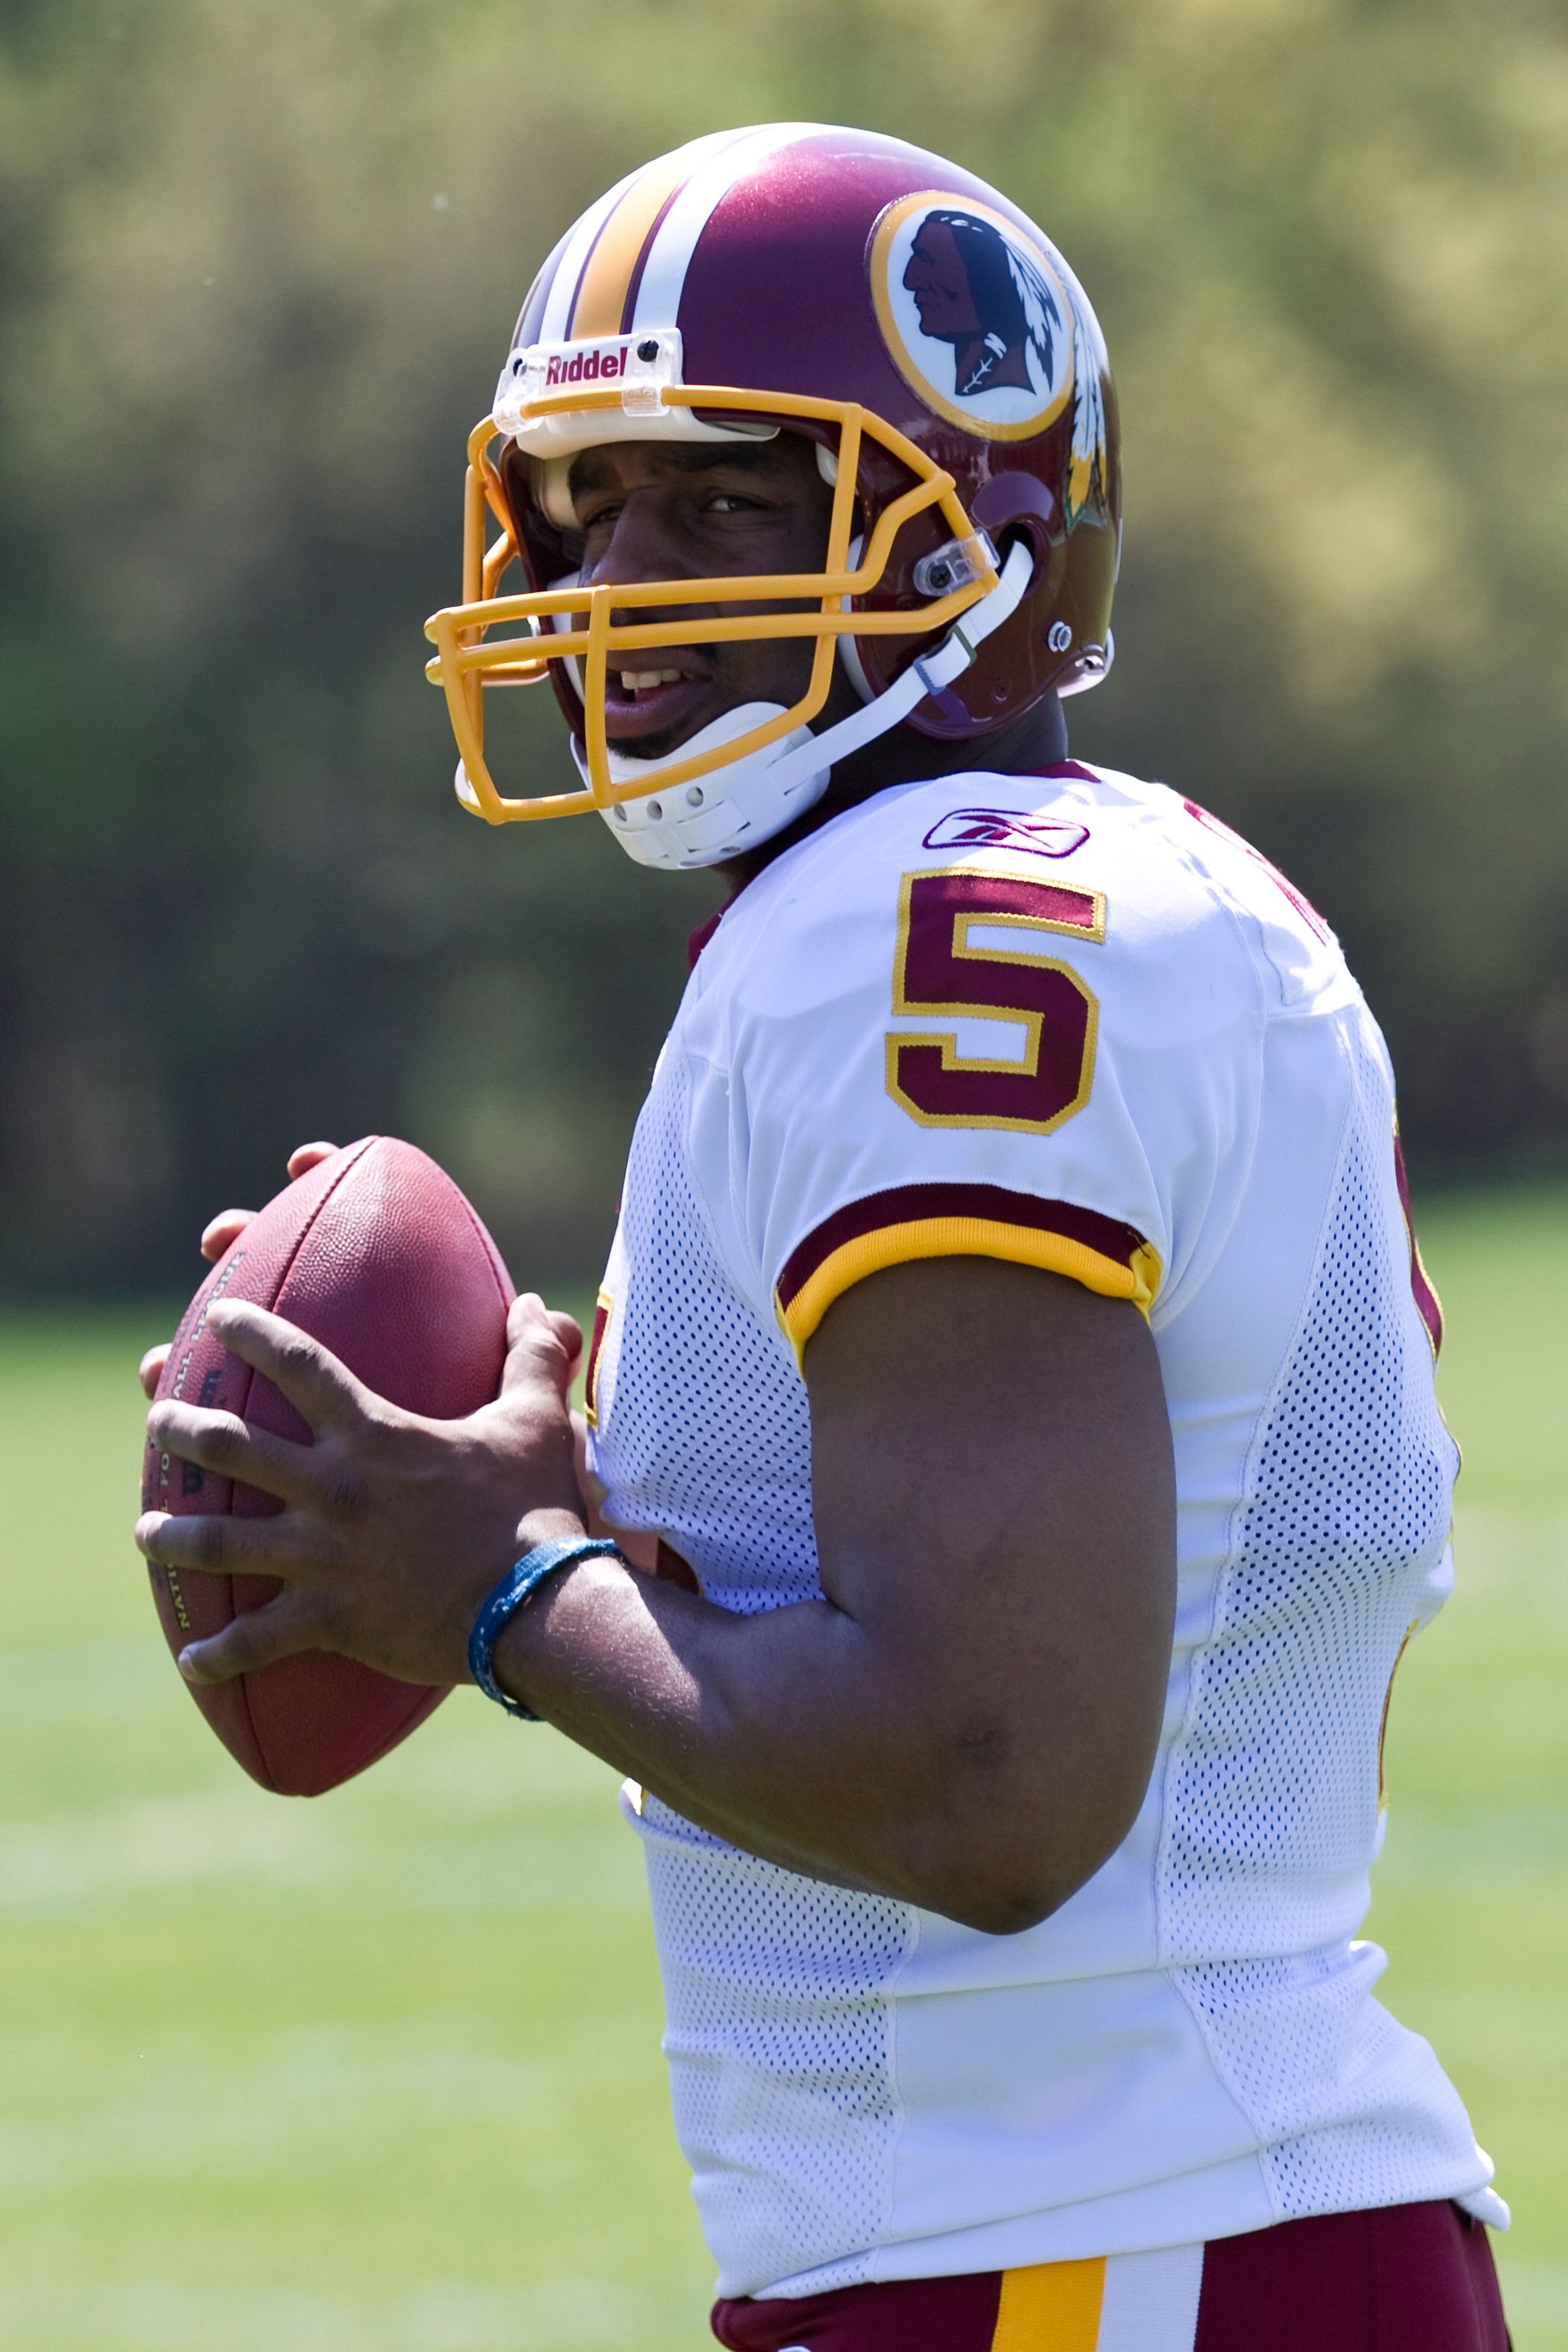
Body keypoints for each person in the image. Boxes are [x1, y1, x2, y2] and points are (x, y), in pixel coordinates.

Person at [136, 125, 1513, 2351]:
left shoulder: (913, 936)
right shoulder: (1084, 888)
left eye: (720, 501)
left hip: (1086, 2257)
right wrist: (503, 1484)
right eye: (582, 515)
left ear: (979, 539)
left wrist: (499, 1590)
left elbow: (990, 1785)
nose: (616, 591)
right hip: (1141, 2236)